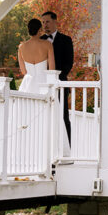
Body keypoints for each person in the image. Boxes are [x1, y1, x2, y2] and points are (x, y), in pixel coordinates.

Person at [41, 10, 74, 142]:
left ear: (55, 22)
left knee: (63, 117)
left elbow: (69, 64)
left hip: (60, 85)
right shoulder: (40, 41)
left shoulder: (66, 40)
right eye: (43, 22)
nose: (45, 25)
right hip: (43, 86)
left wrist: (55, 78)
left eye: (47, 22)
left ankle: (67, 148)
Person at [17, 18, 55, 92]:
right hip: (43, 83)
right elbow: (52, 69)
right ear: (40, 29)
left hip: (27, 84)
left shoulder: (21, 47)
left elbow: (23, 71)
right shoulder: (47, 44)